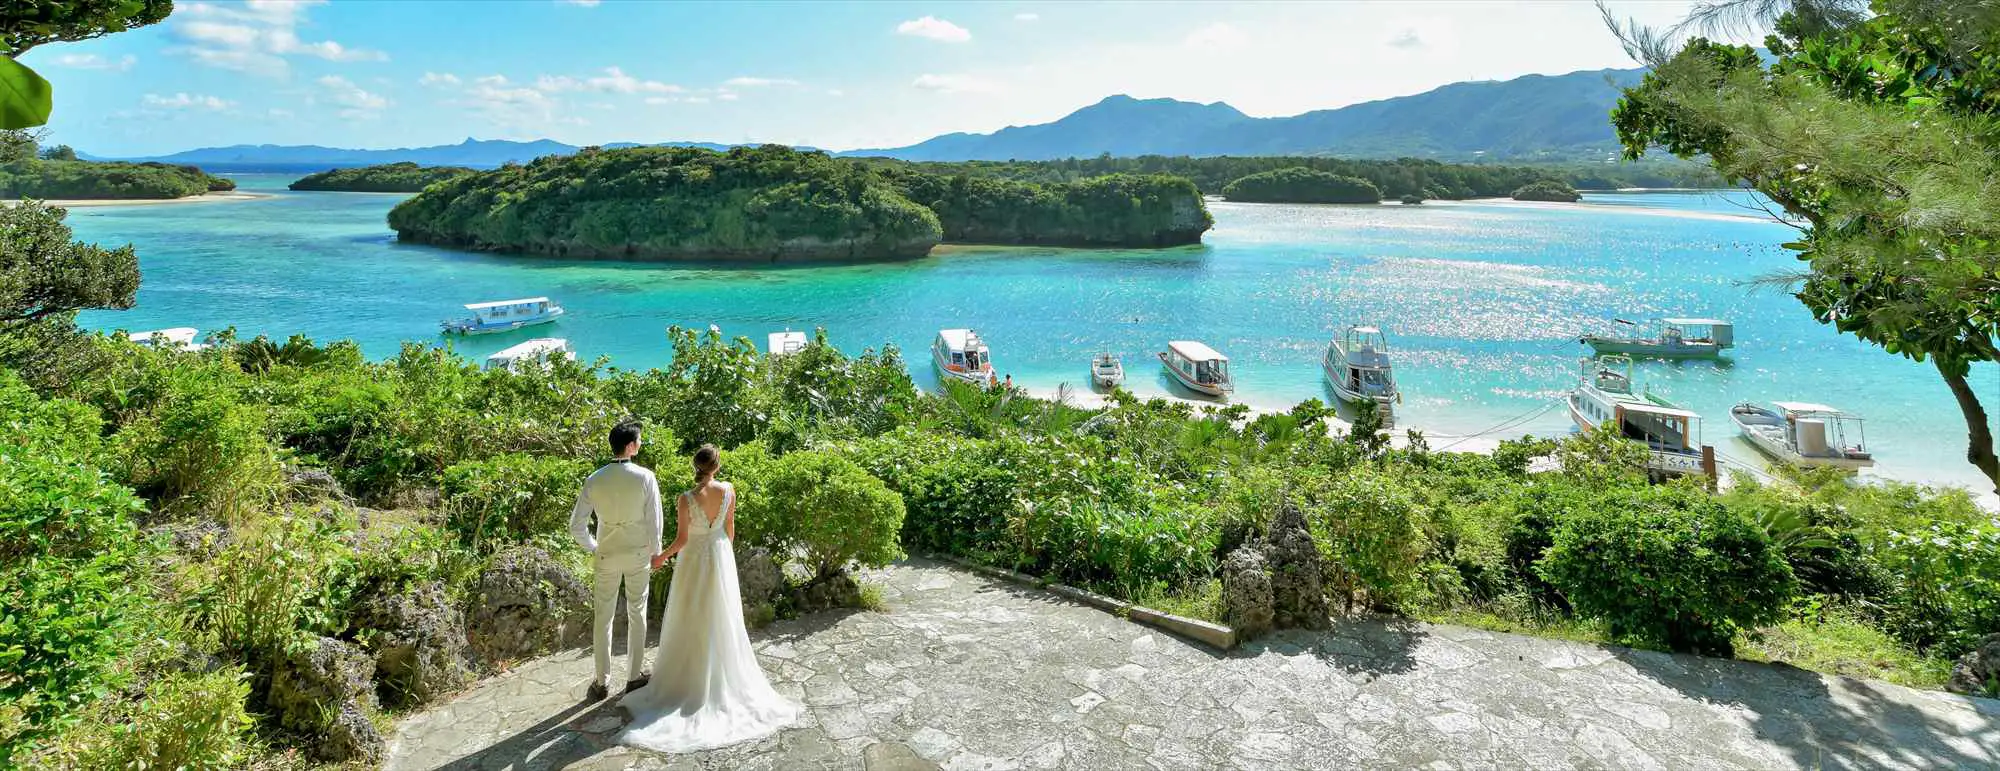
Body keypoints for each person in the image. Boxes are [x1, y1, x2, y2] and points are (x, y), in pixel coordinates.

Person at [617, 445, 800, 753]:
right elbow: (730, 530)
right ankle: (719, 675)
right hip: (721, 556)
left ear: (696, 466)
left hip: (693, 561)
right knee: (722, 616)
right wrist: (722, 556)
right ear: (716, 466)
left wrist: (661, 557)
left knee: (691, 615)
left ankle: (689, 680)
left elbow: (683, 539)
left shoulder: (686, 498)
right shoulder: (729, 491)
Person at [568, 420, 663, 702]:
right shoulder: (645, 477)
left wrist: (594, 547)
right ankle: (634, 676)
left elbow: (577, 525)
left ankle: (601, 681)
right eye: (640, 440)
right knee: (638, 612)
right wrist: (655, 551)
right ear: (631, 446)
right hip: (637, 553)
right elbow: (654, 520)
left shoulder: (594, 479)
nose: (641, 444)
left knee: (603, 616)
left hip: (607, 553)